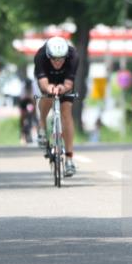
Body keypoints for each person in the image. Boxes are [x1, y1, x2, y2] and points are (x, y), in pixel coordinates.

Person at [34, 36, 79, 176]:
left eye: (61, 59)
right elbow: (43, 84)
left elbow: (69, 84)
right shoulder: (41, 56)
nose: (58, 62)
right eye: (54, 59)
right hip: (47, 78)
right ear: (48, 56)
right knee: (47, 97)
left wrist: (62, 88)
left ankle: (69, 159)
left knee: (66, 113)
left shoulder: (73, 56)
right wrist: (50, 89)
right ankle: (42, 125)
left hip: (64, 80)